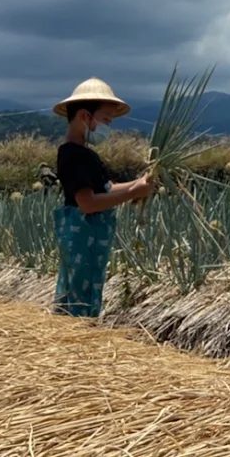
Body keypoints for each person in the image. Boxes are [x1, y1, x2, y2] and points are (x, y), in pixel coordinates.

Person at [51, 77, 155, 318]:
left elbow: (106, 190)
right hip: (83, 236)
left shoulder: (87, 155)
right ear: (86, 117)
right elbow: (87, 203)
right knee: (79, 294)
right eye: (106, 119)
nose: (108, 126)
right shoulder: (73, 156)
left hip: (91, 239)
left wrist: (140, 184)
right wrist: (132, 192)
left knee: (88, 289)